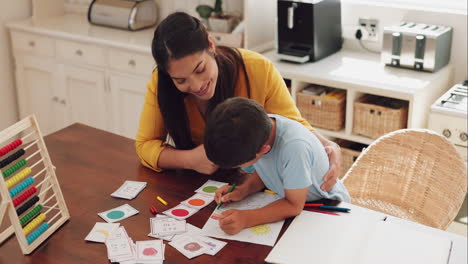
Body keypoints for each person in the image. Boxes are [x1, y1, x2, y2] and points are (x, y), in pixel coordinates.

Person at [135, 12, 341, 191]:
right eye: (181, 80)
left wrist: (329, 145)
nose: (197, 85)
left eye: (200, 69)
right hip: (193, 186)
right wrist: (190, 160)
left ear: (210, 45)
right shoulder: (161, 84)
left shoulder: (258, 70)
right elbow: (145, 145)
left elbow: (294, 126)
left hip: (256, 184)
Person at [204, 97, 350, 235]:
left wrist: (247, 218)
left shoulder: (295, 148)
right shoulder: (259, 127)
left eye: (240, 165)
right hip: (292, 199)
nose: (240, 169)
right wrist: (244, 189)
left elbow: (294, 205)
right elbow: (266, 170)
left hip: (325, 207)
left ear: (262, 151)